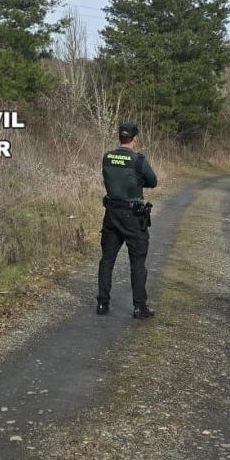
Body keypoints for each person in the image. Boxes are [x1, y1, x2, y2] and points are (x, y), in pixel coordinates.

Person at [97, 122, 158, 319]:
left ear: (119, 137)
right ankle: (139, 307)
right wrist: (138, 182)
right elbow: (153, 181)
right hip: (133, 217)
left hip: (111, 214)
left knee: (107, 260)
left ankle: (102, 303)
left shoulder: (107, 157)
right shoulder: (138, 160)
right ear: (134, 139)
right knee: (137, 262)